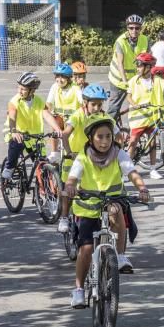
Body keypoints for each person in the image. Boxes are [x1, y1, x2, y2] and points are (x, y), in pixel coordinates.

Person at [64, 116, 151, 307]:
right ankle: (78, 289)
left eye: (108, 137)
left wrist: (142, 188)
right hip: (88, 208)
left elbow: (132, 173)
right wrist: (70, 187)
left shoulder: (118, 154)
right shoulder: (83, 156)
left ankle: (119, 256)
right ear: (90, 138)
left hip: (112, 201)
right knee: (86, 250)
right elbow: (72, 178)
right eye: (99, 137)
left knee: (115, 210)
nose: (104, 142)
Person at [58, 84, 119, 234]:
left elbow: (118, 136)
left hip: (96, 160)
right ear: (85, 102)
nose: (97, 108)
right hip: (76, 158)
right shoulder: (78, 115)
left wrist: (118, 149)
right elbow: (65, 134)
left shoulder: (105, 117)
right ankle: (64, 217)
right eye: (93, 104)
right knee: (69, 190)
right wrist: (69, 152)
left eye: (100, 104)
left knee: (95, 191)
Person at [122, 52, 164, 179]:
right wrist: (134, 104)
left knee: (152, 143)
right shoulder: (134, 81)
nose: (138, 68)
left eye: (140, 65)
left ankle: (153, 169)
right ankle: (126, 169)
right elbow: (128, 96)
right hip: (138, 117)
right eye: (138, 66)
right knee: (133, 142)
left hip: (153, 116)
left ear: (149, 67)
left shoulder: (158, 80)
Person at [1, 72, 63, 181]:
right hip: (17, 132)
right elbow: (12, 116)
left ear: (32, 91)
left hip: (35, 137)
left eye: (23, 89)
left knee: (42, 163)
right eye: (19, 88)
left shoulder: (38, 101)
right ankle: (10, 167)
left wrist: (57, 128)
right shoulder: (14, 101)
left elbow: (47, 115)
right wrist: (14, 130)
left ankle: (46, 188)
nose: (19, 91)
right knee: (16, 144)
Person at [107, 14, 150, 118]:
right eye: (131, 28)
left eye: (137, 28)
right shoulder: (120, 41)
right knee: (114, 109)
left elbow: (148, 59)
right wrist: (125, 81)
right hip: (118, 79)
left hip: (134, 79)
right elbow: (120, 63)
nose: (134, 30)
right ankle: (108, 128)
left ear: (141, 29)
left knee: (140, 104)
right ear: (127, 28)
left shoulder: (144, 39)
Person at [46, 62, 83, 129]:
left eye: (63, 77)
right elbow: (49, 103)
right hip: (59, 119)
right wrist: (49, 115)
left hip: (73, 120)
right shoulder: (54, 86)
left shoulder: (76, 88)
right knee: (54, 129)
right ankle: (54, 139)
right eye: (57, 76)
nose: (59, 80)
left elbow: (82, 103)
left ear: (68, 79)